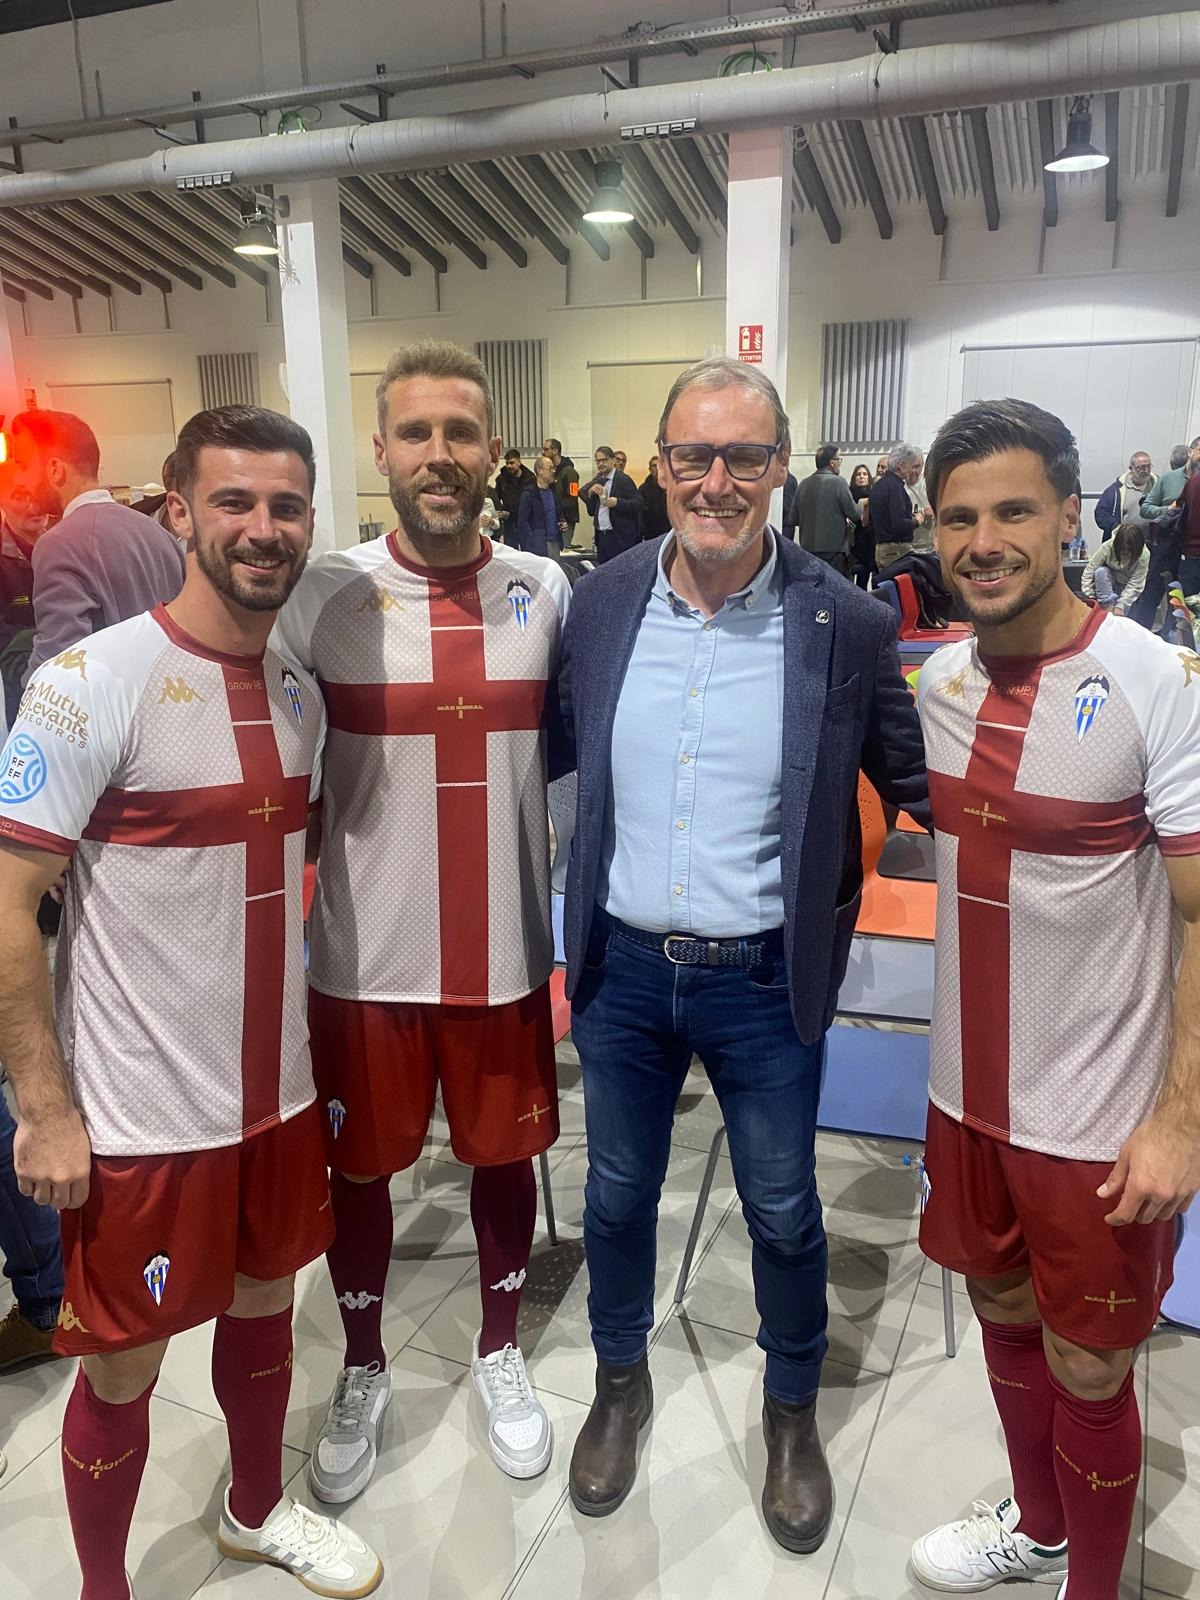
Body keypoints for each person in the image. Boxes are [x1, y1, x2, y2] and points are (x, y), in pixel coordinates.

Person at [0, 403, 383, 1599]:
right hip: (140, 1119)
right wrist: (44, 1109)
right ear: (178, 512)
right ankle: (101, 1587)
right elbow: (9, 902)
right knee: (124, 1364)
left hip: (275, 1097)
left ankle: (255, 1511)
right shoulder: (88, 683)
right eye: (234, 501)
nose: (263, 528)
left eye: (286, 506)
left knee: (268, 1301)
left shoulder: (298, 692)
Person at [557, 356, 930, 1551]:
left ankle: (789, 1411)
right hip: (621, 972)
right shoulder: (602, 603)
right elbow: (545, 750)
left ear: (778, 466)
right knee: (617, 1194)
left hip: (766, 981)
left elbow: (923, 784)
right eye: (693, 454)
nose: (716, 480)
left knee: (781, 1207)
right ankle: (620, 1382)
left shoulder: (846, 621)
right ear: (660, 462)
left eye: (745, 456)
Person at [911, 398, 1200, 1600]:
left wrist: (1180, 1118)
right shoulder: (938, 680)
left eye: (1015, 511)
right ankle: (1038, 1527)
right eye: (959, 518)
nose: (984, 541)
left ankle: (1094, 1586)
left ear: (1071, 515)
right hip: (963, 1093)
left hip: (1094, 1116)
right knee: (1000, 1302)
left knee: (1090, 1363)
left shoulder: (1155, 680)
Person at [274, 340, 571, 1500]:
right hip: (363, 960)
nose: (437, 454)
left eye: (459, 432)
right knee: (359, 1173)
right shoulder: (322, 595)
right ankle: (363, 1361)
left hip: (502, 954)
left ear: (493, 449)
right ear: (381, 451)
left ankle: (498, 1348)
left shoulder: (545, 590)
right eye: (415, 432)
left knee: (503, 1159)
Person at [8, 410, 185, 680]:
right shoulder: (158, 534)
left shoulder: (59, 544)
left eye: (24, 465)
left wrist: (24, 688)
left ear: (55, 469)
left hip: (111, 701)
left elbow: (58, 664)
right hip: (172, 694)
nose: (21, 479)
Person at [0, 461, 49, 724]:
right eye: (20, 495)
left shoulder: (68, 547)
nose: (34, 503)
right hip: (18, 690)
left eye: (38, 491)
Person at [795, 444, 861, 573]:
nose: (840, 463)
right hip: (833, 551)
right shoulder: (839, 483)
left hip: (807, 549)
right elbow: (854, 514)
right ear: (832, 462)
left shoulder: (803, 484)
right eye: (839, 459)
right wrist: (862, 505)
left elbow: (793, 518)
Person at [868, 443, 931, 571]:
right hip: (896, 549)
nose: (912, 471)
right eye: (911, 466)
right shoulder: (895, 487)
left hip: (880, 548)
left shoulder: (878, 485)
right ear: (902, 465)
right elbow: (899, 523)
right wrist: (917, 520)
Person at [581, 445, 642, 564]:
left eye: (604, 460)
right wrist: (590, 493)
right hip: (601, 537)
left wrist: (617, 503)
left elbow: (638, 504)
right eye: (598, 461)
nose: (601, 464)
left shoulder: (623, 480)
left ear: (613, 460)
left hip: (618, 538)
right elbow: (591, 511)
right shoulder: (599, 480)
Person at [1081, 522, 1149, 616]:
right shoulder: (1108, 546)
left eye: (1129, 549)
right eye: (1122, 548)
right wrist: (1090, 596)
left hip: (1127, 588)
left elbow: (1136, 584)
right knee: (1101, 572)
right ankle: (1107, 608)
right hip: (1108, 585)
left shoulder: (1144, 554)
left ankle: (1113, 614)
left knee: (1120, 617)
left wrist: (1121, 605)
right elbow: (1090, 570)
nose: (1125, 552)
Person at [516, 452, 567, 557]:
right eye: (550, 468)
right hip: (536, 546)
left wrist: (562, 524)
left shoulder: (554, 492)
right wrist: (532, 541)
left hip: (555, 543)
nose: (554, 471)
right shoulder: (529, 494)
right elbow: (522, 521)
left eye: (554, 468)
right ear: (540, 470)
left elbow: (558, 515)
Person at [1140, 435, 1200, 523]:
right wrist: (1168, 509)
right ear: (1190, 452)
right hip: (1171, 531)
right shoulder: (1168, 478)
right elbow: (1145, 509)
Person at [1094, 451, 1155, 537]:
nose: (1146, 470)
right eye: (1142, 467)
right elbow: (1101, 514)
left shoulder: (1159, 486)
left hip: (1154, 542)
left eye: (1149, 466)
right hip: (1126, 542)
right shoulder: (1116, 490)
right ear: (1131, 468)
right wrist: (1117, 528)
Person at [543, 437, 581, 548]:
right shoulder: (551, 471)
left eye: (546, 449)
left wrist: (555, 506)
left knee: (562, 550)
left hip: (566, 519)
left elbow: (573, 498)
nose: (543, 452)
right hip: (553, 519)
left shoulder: (570, 472)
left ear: (555, 451)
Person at [491, 448, 536, 539]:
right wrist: (500, 512)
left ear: (519, 462)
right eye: (507, 463)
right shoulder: (502, 479)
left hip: (527, 523)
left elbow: (533, 501)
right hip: (509, 523)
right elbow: (496, 498)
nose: (509, 466)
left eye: (512, 463)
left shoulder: (530, 479)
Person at [847, 463, 875, 590]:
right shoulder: (848, 494)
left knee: (864, 580)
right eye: (858, 474)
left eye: (864, 474)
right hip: (852, 541)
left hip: (869, 542)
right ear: (854, 478)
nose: (861, 477)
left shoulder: (874, 494)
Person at [638, 455, 671, 541]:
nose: (656, 468)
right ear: (650, 469)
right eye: (654, 466)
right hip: (651, 532)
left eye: (658, 465)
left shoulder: (670, 486)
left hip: (668, 530)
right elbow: (641, 513)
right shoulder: (643, 489)